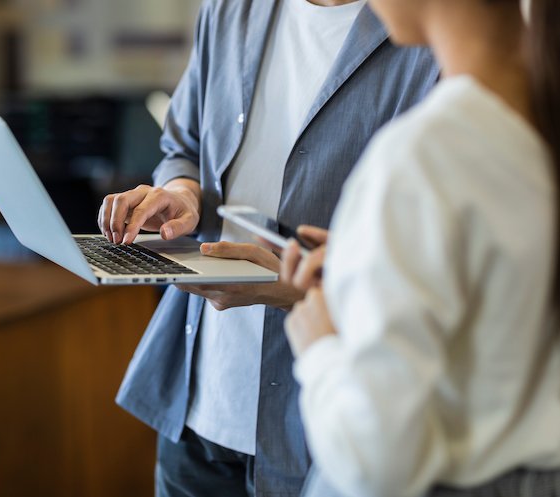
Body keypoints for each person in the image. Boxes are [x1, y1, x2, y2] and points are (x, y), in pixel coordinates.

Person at [100, 0, 439, 495]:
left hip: (317, 431)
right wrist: (180, 194)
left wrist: (294, 288)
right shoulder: (229, 10)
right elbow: (183, 149)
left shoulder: (426, 32)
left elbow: (430, 259)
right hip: (198, 407)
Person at [281, 0, 560, 495]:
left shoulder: (421, 158)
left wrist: (320, 347)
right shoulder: (533, 120)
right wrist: (373, 263)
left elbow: (377, 463)